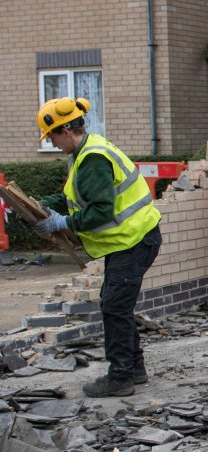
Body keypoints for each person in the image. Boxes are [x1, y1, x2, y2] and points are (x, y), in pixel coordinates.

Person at [33, 97, 163, 398]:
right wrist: (42, 208)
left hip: (133, 241)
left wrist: (61, 223)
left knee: (115, 307)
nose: (50, 143)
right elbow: (76, 199)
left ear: (66, 130)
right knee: (116, 304)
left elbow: (100, 211)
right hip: (132, 240)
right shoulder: (87, 151)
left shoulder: (91, 158)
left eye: (51, 135)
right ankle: (134, 369)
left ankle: (121, 377)